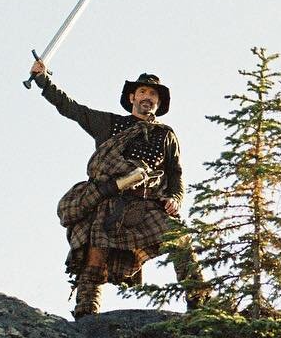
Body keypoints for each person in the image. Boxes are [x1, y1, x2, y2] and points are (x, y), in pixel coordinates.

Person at [28, 59, 207, 319]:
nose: (148, 97)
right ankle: (86, 314)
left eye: (153, 94)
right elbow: (71, 108)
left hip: (149, 203)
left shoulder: (166, 135)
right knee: (95, 257)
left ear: (158, 102)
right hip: (111, 199)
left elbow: (175, 172)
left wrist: (176, 198)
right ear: (132, 96)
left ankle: (199, 304)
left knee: (179, 239)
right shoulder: (108, 124)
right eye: (143, 92)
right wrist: (44, 81)